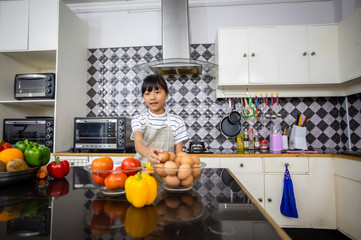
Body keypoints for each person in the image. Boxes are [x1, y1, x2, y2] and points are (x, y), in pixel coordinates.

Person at [131, 74, 188, 164]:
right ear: (143, 97)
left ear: (166, 94)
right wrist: (148, 153)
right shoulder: (138, 119)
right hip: (143, 171)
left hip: (166, 172)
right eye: (147, 94)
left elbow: (179, 155)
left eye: (157, 92)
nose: (152, 97)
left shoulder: (177, 122)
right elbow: (138, 144)